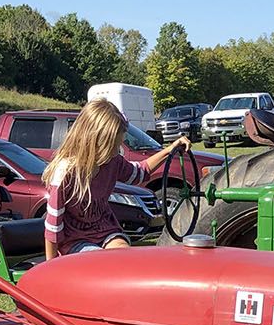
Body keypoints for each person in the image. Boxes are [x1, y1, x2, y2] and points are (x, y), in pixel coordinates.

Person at [43, 99, 190, 260]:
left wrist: (171, 149)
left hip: (106, 231)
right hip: (75, 241)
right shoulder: (65, 173)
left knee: (125, 258)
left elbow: (141, 172)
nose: (117, 151)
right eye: (113, 146)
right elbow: (52, 229)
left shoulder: (112, 162)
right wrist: (50, 267)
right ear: (96, 142)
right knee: (102, 261)